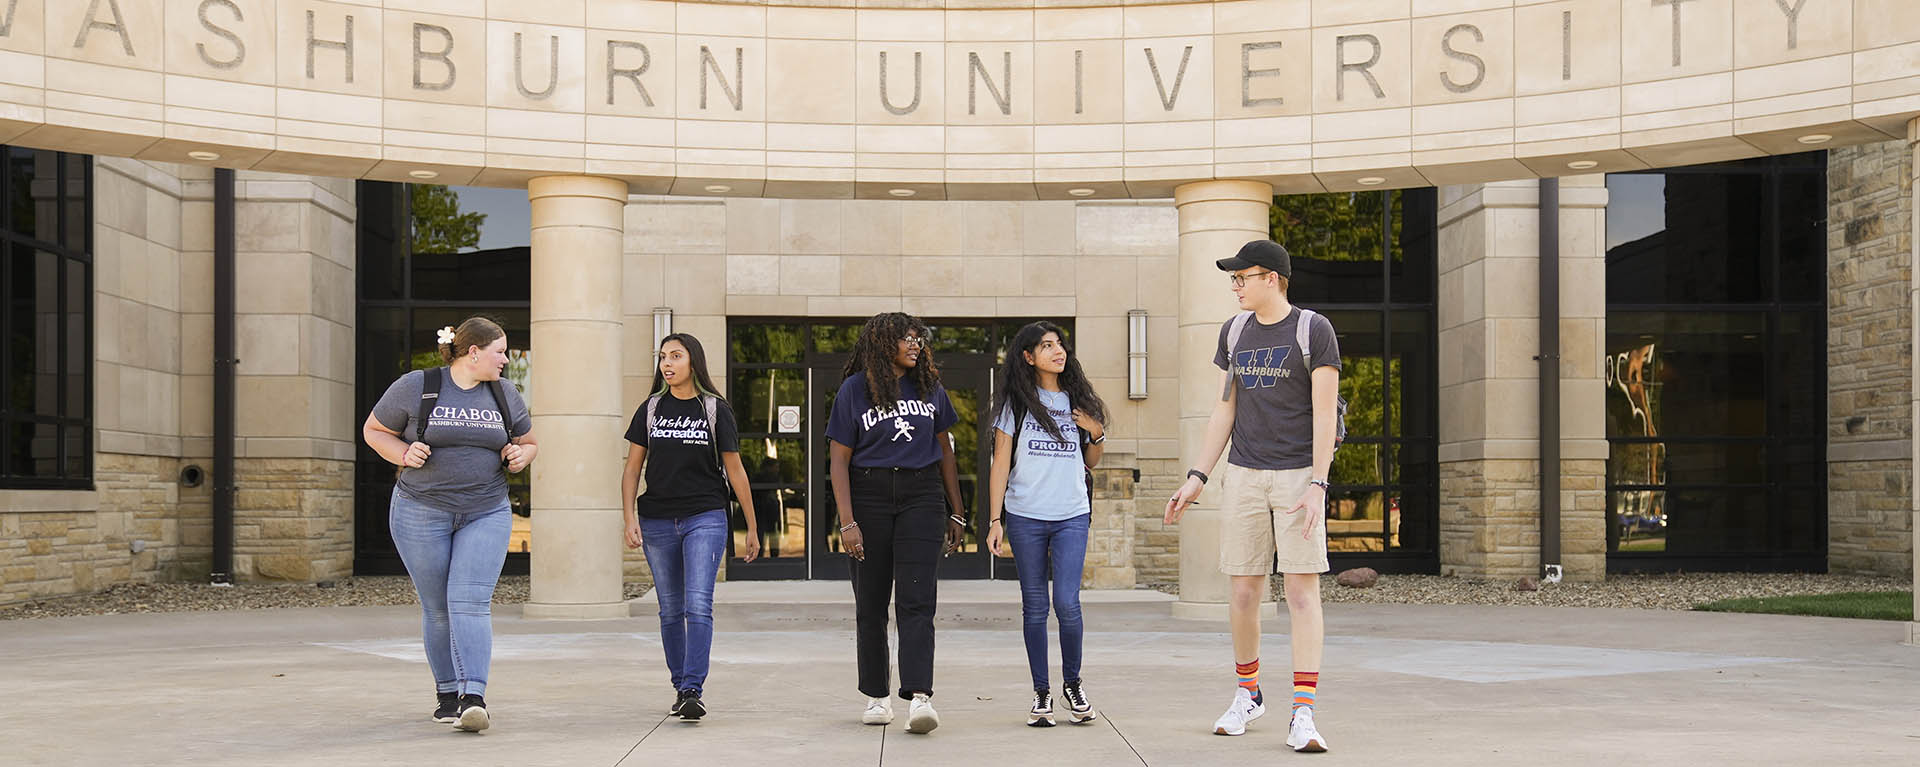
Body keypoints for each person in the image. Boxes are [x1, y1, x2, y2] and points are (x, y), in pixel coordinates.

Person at [1165, 240, 1340, 752]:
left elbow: (1325, 414)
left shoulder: (1313, 331)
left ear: (1273, 278)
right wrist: (1197, 476)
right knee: (1243, 592)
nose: (1236, 286)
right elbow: (1226, 408)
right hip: (1244, 473)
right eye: (1234, 279)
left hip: (1297, 475)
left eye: (1244, 277)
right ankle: (1248, 692)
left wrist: (1317, 485)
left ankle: (1303, 712)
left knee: (1303, 592)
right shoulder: (1235, 331)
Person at [363, 317, 536, 733]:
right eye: (500, 351)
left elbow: (530, 442)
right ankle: (446, 693)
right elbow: (374, 431)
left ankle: (473, 697)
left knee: (470, 601)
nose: (505, 360)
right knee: (438, 607)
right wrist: (404, 454)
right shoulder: (417, 385)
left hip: (486, 509)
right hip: (421, 509)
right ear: (473, 352)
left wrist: (521, 456)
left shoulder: (504, 393)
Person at [826, 312, 966, 734]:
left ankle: (920, 697)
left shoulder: (930, 389)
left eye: (918, 339)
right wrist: (847, 521)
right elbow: (838, 460)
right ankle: (877, 697)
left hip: (921, 496)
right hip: (867, 496)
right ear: (883, 342)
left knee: (917, 600)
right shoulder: (854, 390)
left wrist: (956, 509)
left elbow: (945, 452)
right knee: (870, 603)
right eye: (906, 338)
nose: (915, 345)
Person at [622, 333, 760, 721]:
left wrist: (751, 526)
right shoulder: (650, 409)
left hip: (705, 515)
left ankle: (693, 689)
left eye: (676, 356)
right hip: (656, 519)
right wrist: (629, 518)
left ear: (693, 362)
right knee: (669, 609)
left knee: (698, 604)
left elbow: (736, 470)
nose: (667, 363)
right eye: (663, 357)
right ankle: (680, 684)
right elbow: (632, 469)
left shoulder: (715, 410)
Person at [984, 321, 1108, 727]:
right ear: (1028, 356)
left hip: (1071, 513)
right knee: (1035, 607)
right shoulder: (1016, 403)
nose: (1058, 351)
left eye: (1060, 344)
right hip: (1025, 516)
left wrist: (1096, 432)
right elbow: (1000, 462)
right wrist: (994, 519)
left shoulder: (1077, 399)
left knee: (1067, 603)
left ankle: (1073, 684)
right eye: (1047, 345)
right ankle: (1042, 693)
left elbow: (1091, 461)